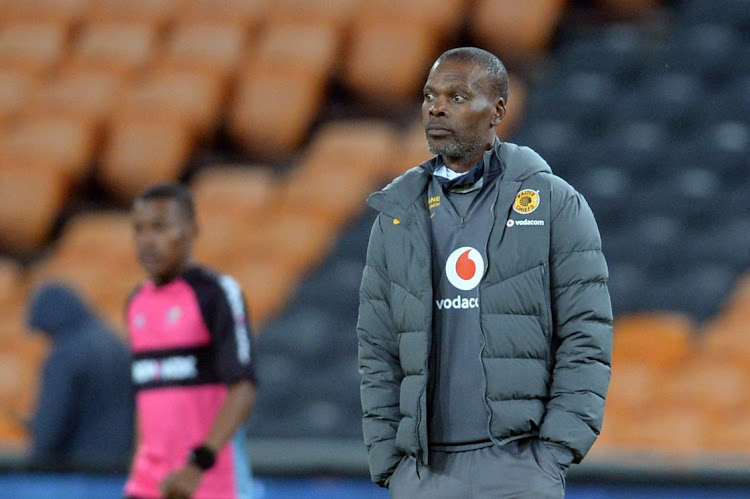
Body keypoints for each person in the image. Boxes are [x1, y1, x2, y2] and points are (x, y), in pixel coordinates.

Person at [356, 47, 613, 498]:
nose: (436, 107)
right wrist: (391, 463)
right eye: (429, 95)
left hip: (519, 468)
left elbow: (586, 335)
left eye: (457, 97)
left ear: (497, 111)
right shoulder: (396, 215)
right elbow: (377, 348)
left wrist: (553, 454)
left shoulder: (554, 203)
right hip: (423, 475)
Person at [124, 182, 257, 499]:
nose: (147, 241)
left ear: (190, 230)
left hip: (204, 482)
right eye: (139, 230)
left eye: (160, 227)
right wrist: (135, 472)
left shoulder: (216, 294)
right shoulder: (136, 303)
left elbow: (243, 387)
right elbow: (147, 399)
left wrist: (198, 464)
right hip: (147, 485)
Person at [25, 282, 134, 470]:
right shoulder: (116, 343)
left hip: (80, 472)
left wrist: (34, 463)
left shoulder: (67, 353)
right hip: (121, 468)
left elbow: (51, 426)